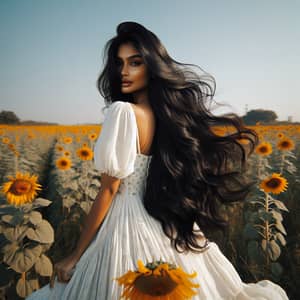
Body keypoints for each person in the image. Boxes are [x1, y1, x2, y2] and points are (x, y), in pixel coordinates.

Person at [26, 21, 289, 299]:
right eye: (119, 63)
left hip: (126, 223)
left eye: (135, 62)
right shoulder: (167, 116)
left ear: (152, 66)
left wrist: (75, 255)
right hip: (163, 218)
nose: (124, 71)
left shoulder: (123, 111)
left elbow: (110, 188)